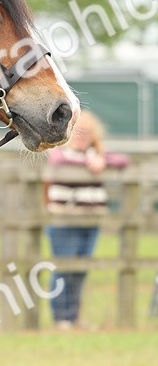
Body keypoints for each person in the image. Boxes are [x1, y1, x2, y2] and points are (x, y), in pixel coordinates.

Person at [45, 110, 128, 328]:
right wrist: (88, 164)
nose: (82, 136)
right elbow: (56, 160)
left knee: (80, 270)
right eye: (79, 131)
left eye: (87, 132)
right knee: (64, 268)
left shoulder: (97, 154)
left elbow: (123, 160)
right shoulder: (60, 151)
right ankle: (61, 317)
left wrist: (101, 161)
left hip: (90, 222)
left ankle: (73, 317)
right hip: (65, 222)